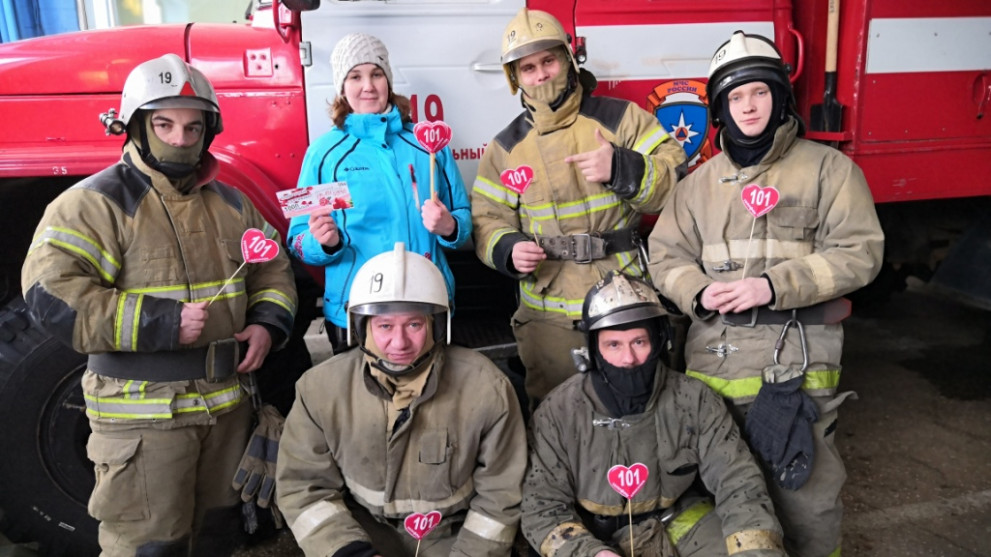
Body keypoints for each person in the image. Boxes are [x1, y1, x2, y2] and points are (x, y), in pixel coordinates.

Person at [20, 53, 298, 555]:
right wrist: (160, 322)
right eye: (164, 125)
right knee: (148, 547)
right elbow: (50, 294)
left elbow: (271, 267)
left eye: (193, 127)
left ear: (208, 132)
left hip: (226, 410)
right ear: (136, 127)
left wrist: (266, 323)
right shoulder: (93, 204)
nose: (180, 138)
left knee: (218, 539)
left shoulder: (232, 204)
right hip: (141, 421)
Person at [647, 31, 884, 557]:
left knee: (807, 502)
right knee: (724, 497)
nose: (748, 106)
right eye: (735, 96)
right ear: (720, 108)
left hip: (796, 363)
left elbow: (861, 253)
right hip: (715, 366)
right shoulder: (696, 187)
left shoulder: (828, 170)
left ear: (780, 97)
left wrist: (774, 285)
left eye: (759, 92)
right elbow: (664, 257)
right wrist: (698, 292)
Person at [471, 8, 687, 408]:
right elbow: (486, 219)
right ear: (515, 78)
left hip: (624, 298)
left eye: (548, 61)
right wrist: (508, 248)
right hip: (549, 317)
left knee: (639, 405)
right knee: (556, 414)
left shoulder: (620, 119)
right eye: (528, 68)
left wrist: (621, 168)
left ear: (569, 61)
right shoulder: (505, 148)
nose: (541, 75)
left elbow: (676, 182)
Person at [276, 242, 527, 557]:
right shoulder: (320, 389)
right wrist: (348, 551)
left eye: (414, 324)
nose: (399, 342)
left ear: (437, 325)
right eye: (384, 325)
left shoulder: (486, 387)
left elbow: (502, 492)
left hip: (452, 534)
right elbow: (303, 486)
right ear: (361, 325)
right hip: (361, 531)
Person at [521, 271, 785, 557]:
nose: (628, 359)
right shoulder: (559, 411)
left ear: (659, 342)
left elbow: (739, 483)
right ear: (594, 350)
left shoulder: (694, 399)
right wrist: (591, 553)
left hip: (679, 521)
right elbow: (541, 509)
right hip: (593, 538)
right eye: (613, 345)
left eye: (639, 342)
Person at [287, 32, 471, 355]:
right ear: (342, 87)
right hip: (356, 312)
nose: (368, 86)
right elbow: (298, 239)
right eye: (355, 76)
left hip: (426, 301)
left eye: (376, 74)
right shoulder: (324, 154)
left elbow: (464, 219)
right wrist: (324, 243)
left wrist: (450, 227)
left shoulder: (428, 146)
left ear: (388, 80)